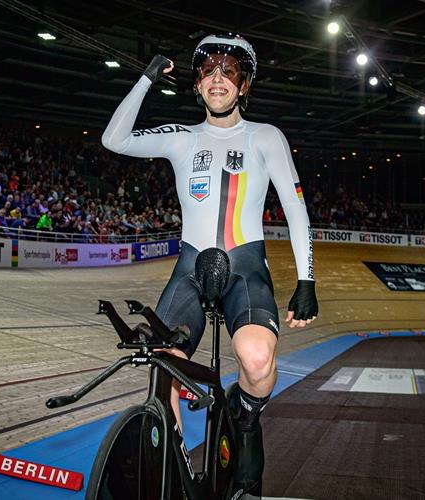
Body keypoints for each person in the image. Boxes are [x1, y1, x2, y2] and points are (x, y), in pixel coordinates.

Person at [102, 33, 318, 498]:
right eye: (208, 71)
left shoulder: (266, 137)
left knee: (258, 361)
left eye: (229, 71)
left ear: (244, 86)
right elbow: (113, 139)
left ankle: (244, 412)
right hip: (190, 267)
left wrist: (307, 278)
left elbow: (296, 209)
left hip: (246, 267)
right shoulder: (182, 138)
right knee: (165, 366)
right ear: (197, 85)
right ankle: (175, 462)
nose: (218, 78)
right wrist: (144, 79)